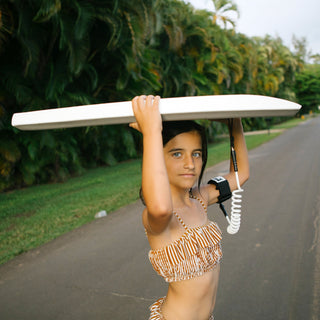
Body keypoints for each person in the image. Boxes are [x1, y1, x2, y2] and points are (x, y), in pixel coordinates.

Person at [130, 95, 249, 320]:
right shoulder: (156, 217)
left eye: (197, 154)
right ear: (157, 156)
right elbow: (161, 208)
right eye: (177, 154)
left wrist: (235, 124)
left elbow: (241, 174)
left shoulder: (200, 198)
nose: (190, 164)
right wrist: (151, 132)